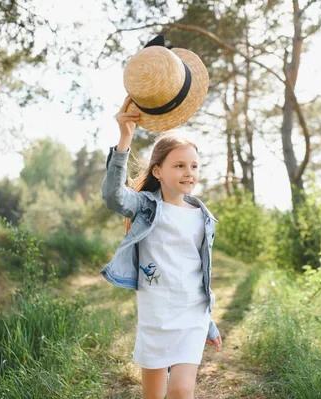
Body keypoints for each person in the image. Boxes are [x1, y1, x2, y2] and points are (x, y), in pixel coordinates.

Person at [100, 95, 223, 399]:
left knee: (181, 392)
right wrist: (125, 138)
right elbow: (114, 197)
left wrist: (207, 321)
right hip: (155, 317)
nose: (188, 172)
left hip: (192, 316)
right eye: (179, 165)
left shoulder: (203, 218)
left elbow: (198, 274)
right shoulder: (145, 208)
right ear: (158, 171)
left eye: (193, 166)